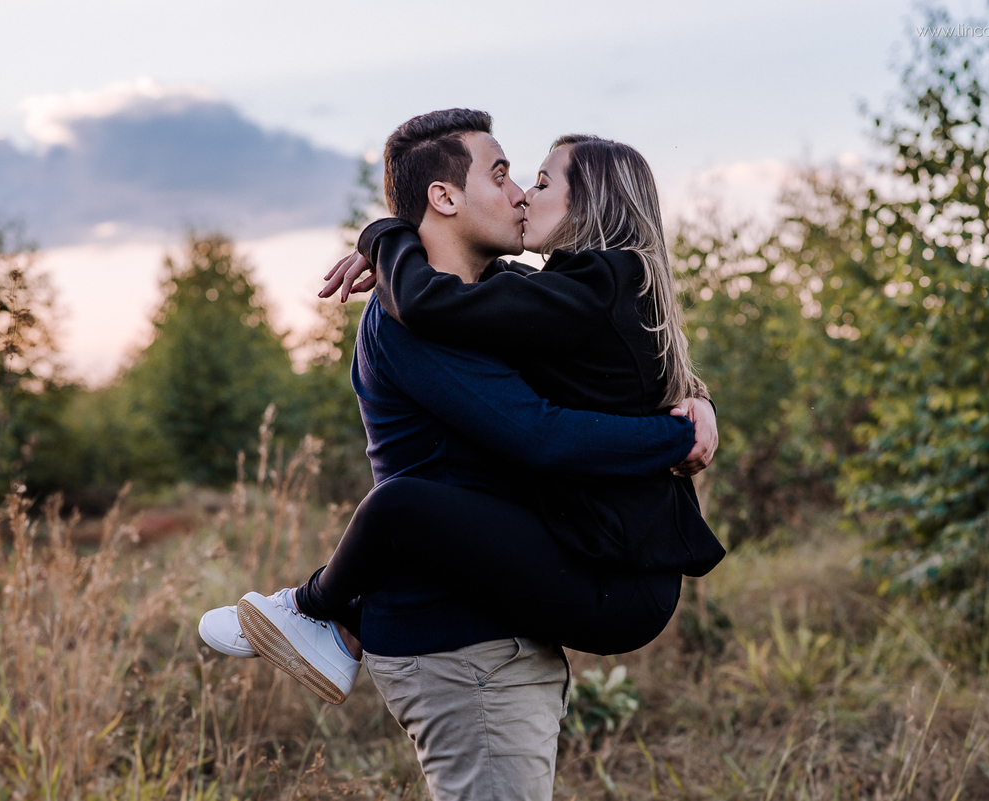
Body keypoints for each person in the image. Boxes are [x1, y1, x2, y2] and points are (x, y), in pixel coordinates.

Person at [199, 109, 717, 801]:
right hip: (463, 645)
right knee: (401, 505)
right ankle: (318, 611)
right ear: (444, 198)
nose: (519, 195)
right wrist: (675, 437)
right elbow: (540, 431)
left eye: (532, 180)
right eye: (503, 174)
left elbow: (624, 370)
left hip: (516, 620)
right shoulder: (424, 319)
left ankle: (329, 616)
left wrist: (692, 402)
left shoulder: (515, 301)